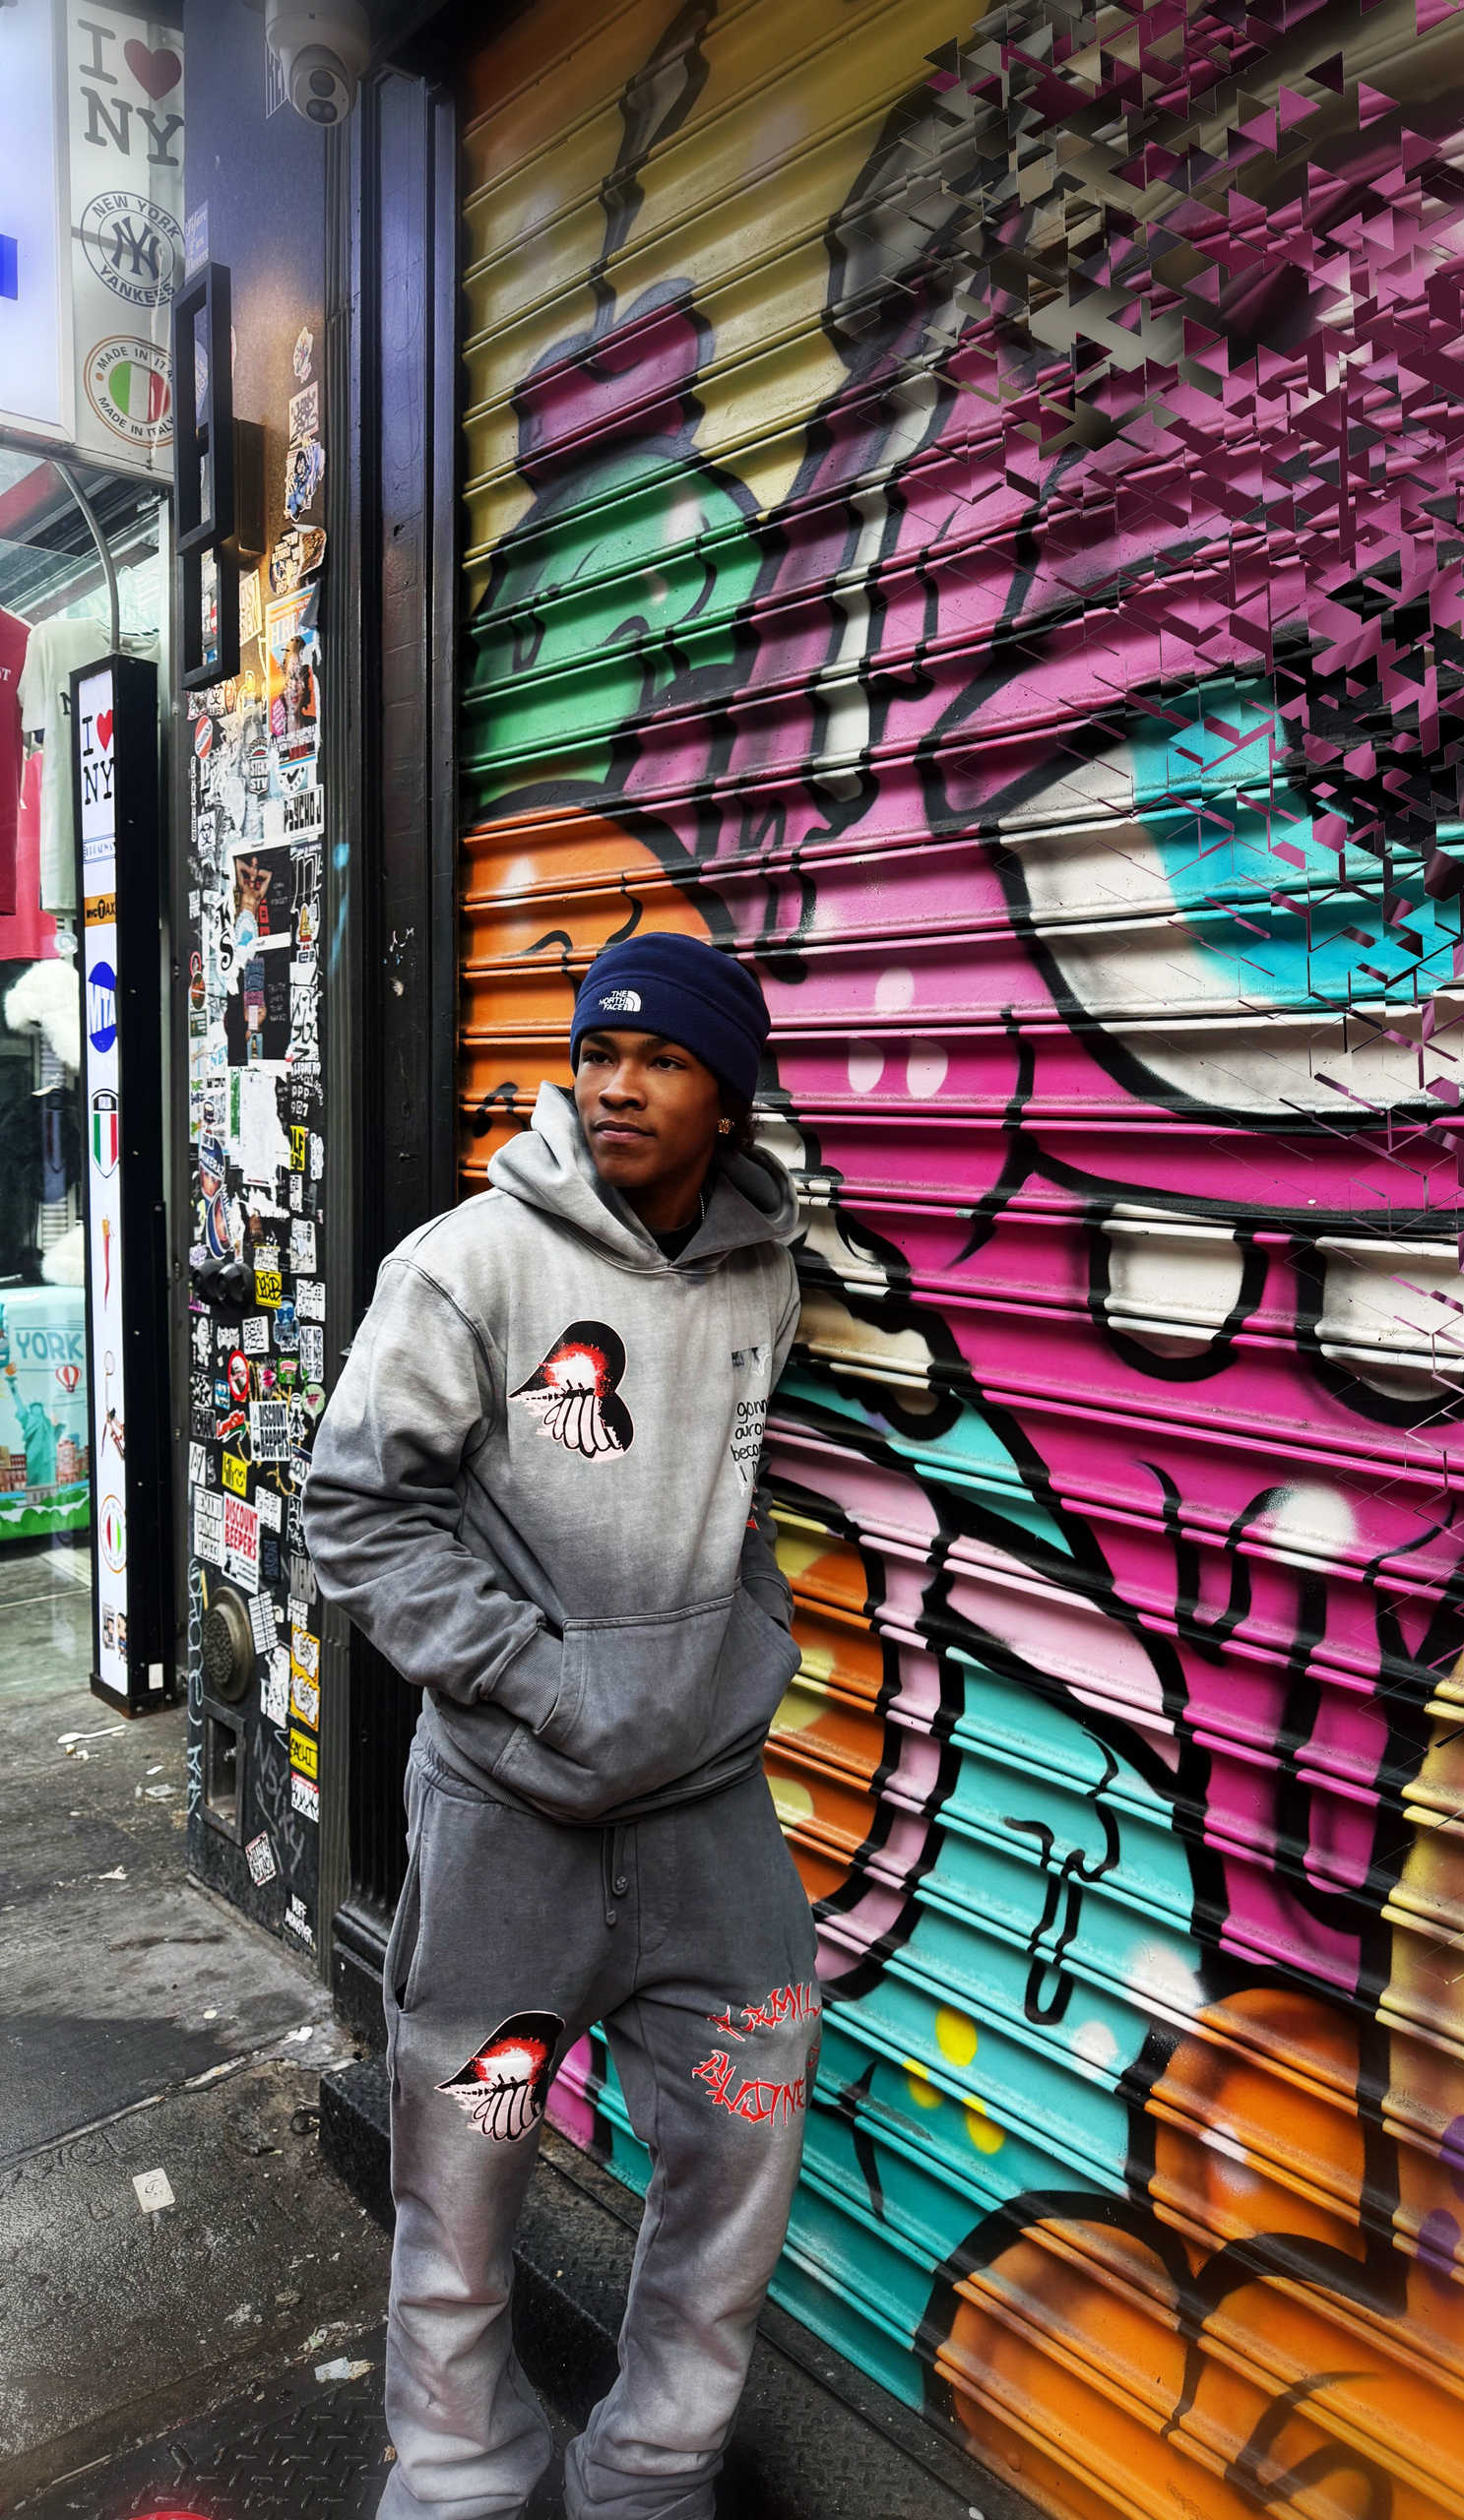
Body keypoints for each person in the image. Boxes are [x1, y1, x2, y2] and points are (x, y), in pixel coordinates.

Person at [304, 931, 812, 2520]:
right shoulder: (471, 1266)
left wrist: (753, 1643)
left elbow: (732, 1497)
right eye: (600, 1052)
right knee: (468, 2171)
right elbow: (355, 1514)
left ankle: (652, 2472)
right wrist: (539, 1677)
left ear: (727, 1096)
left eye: (660, 1060)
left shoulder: (764, 1273)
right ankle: (460, 2478)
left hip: (706, 1824)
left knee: (741, 2147)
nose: (616, 1085)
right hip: (511, 1825)